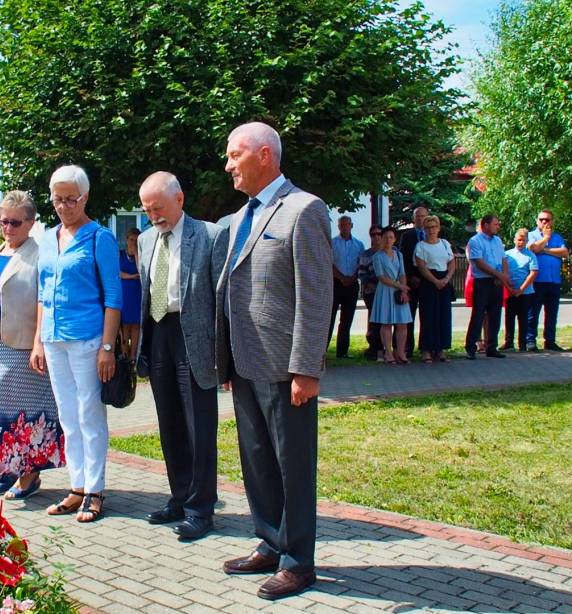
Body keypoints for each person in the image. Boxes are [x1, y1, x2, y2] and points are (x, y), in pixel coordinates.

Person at [214, 122, 331, 601]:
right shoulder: (241, 216)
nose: (228, 165)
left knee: (292, 466)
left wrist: (307, 368)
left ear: (265, 155)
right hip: (245, 364)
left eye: (234, 154)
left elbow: (315, 296)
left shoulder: (304, 210)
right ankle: (270, 541)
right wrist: (226, 361)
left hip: (285, 368)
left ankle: (298, 561)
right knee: (257, 461)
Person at [135, 171, 227, 541]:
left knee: (198, 427)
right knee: (170, 422)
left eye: (158, 208)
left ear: (180, 199)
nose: (153, 216)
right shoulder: (145, 240)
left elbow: (222, 300)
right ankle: (179, 497)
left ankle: (201, 509)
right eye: (146, 210)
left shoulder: (209, 235)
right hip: (159, 333)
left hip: (195, 339)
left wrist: (224, 356)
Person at [30, 165, 122, 523]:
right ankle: (77, 486)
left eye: (71, 199)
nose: (64, 206)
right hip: (53, 339)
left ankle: (95, 490)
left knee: (89, 414)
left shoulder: (100, 238)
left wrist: (107, 347)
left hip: (87, 338)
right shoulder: (46, 239)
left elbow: (113, 297)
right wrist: (38, 341)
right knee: (68, 415)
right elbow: (42, 294)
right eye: (58, 199)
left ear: (85, 198)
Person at [0, 191, 64, 499]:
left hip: (22, 347)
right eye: (3, 221)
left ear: (31, 223)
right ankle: (7, 469)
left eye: (15, 222)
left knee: (25, 415)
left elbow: (45, 302)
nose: (7, 228)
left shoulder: (40, 255)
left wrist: (39, 343)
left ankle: (28, 477)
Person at [465, 214, 510, 359]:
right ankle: (471, 347)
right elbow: (479, 263)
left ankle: (492, 347)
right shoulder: (475, 241)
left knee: (495, 315)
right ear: (485, 225)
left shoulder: (497, 240)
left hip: (496, 282)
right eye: (495, 224)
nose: (498, 227)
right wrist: (498, 275)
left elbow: (503, 259)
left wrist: (503, 275)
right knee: (478, 315)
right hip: (482, 282)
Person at [526, 209, 569, 351]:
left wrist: (544, 250)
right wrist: (546, 238)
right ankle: (530, 340)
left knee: (552, 313)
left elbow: (564, 252)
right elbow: (533, 249)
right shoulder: (531, 235)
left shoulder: (558, 237)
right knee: (533, 313)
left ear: (552, 221)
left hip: (554, 280)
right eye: (541, 219)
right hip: (537, 280)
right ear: (537, 221)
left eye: (547, 219)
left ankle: (550, 341)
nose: (544, 222)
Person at [413, 215, 454, 363]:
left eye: (434, 227)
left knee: (443, 315)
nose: (431, 230)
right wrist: (435, 281)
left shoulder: (445, 244)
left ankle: (440, 349)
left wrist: (446, 279)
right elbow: (422, 267)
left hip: (444, 280)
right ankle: (426, 350)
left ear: (438, 228)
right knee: (428, 316)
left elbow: (451, 262)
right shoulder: (421, 246)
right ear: (424, 229)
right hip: (429, 282)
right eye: (428, 227)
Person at [372, 226, 413, 364]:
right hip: (385, 290)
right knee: (386, 323)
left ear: (395, 239)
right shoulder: (377, 256)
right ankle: (388, 353)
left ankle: (400, 352)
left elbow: (402, 273)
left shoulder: (399, 255)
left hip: (399, 290)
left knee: (402, 323)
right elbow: (381, 277)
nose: (388, 240)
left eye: (391, 237)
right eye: (385, 237)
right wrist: (400, 286)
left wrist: (403, 291)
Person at [329, 215, 364, 358]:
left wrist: (353, 278)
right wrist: (342, 278)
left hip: (352, 284)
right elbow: (329, 263)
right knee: (330, 318)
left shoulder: (359, 245)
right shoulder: (332, 243)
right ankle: (322, 351)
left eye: (347, 224)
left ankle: (342, 351)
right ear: (338, 227)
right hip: (336, 283)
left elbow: (361, 264)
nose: (344, 227)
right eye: (342, 225)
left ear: (351, 225)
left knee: (347, 319)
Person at [398, 206, 429, 357]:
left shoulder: (432, 235)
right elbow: (403, 258)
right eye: (418, 216)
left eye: (423, 216)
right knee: (409, 315)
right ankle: (407, 348)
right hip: (411, 281)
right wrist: (410, 277)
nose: (421, 219)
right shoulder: (407, 236)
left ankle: (425, 347)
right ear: (413, 218)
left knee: (427, 316)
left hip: (428, 280)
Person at [503, 228, 539, 352]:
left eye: (523, 240)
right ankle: (508, 342)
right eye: (519, 240)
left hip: (526, 292)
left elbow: (533, 273)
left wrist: (521, 289)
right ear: (514, 240)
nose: (521, 242)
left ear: (527, 241)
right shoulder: (507, 255)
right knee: (509, 317)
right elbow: (503, 271)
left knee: (523, 318)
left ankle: (522, 344)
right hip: (510, 290)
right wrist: (509, 288)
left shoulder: (531, 255)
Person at [358, 225, 383, 360]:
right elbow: (362, 274)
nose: (377, 237)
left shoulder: (392, 251)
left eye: (379, 234)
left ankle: (387, 348)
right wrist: (373, 284)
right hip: (372, 292)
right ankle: (374, 349)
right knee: (374, 322)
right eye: (373, 234)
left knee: (386, 322)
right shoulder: (366, 254)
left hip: (388, 292)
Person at [119, 228, 143, 359]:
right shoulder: (120, 254)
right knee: (125, 324)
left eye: (136, 240)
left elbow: (142, 272)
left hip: (137, 293)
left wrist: (136, 254)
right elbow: (117, 273)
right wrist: (132, 276)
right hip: (124, 293)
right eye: (131, 240)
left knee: (136, 325)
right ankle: (124, 355)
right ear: (127, 240)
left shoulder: (141, 255)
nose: (133, 242)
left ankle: (133, 356)